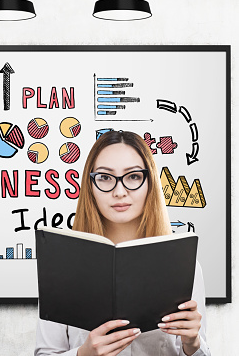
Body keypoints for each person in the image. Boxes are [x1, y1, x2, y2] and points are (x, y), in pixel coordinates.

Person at [34, 131, 211, 356]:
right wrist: (83, 354)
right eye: (105, 177)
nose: (119, 192)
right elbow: (45, 353)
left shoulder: (185, 266)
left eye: (133, 177)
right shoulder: (62, 265)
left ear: (150, 183)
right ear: (90, 185)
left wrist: (193, 343)